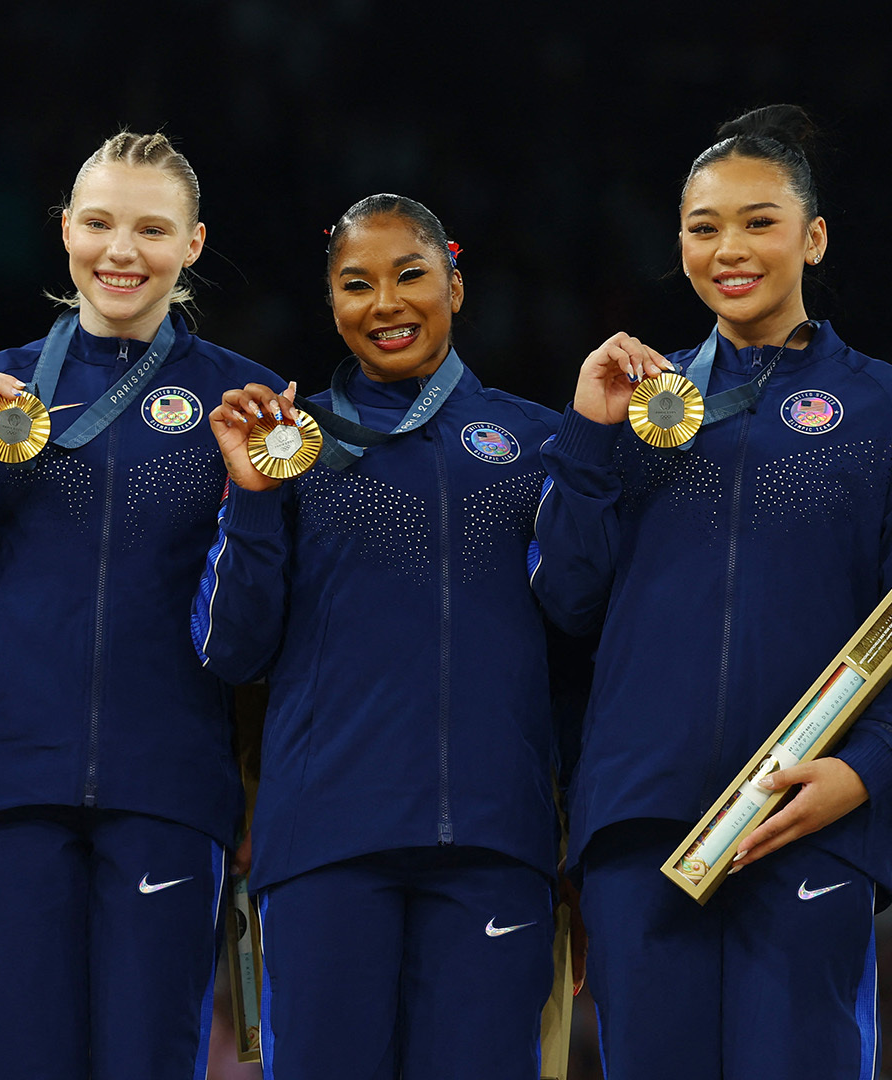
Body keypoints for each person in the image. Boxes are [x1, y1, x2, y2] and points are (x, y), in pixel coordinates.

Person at [528, 104, 892, 1077]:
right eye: (704, 226)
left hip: (809, 814)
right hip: (643, 823)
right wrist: (591, 435)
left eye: (759, 221)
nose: (730, 247)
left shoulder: (890, 410)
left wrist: (867, 769)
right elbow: (565, 599)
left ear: (812, 237)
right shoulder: (634, 404)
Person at [0, 131, 279, 1077]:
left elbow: (247, 644)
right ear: (64, 230)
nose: (121, 251)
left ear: (192, 245)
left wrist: (255, 501)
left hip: (169, 791)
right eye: (99, 223)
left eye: (152, 229)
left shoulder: (246, 403)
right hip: (9, 791)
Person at [193, 195, 561, 1078]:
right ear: (332, 306)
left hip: (492, 843)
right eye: (356, 285)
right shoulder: (288, 447)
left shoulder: (536, 441)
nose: (385, 304)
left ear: (456, 286)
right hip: (326, 846)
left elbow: (580, 641)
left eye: (410, 276)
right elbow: (231, 648)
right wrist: (249, 495)